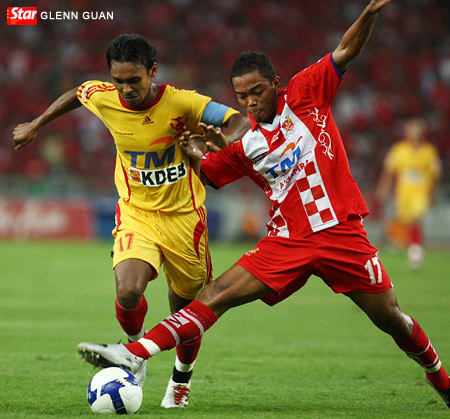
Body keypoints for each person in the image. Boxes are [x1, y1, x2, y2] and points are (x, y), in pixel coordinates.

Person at [76, 1, 450, 409]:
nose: (250, 102)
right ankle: (135, 354)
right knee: (214, 294)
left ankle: (441, 380)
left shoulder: (306, 92)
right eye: (241, 96)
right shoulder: (246, 144)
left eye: (257, 91)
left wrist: (371, 12)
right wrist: (198, 151)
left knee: (391, 319)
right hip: (286, 241)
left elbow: (344, 51)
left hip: (341, 233)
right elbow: (208, 172)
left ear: (275, 82)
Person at [12, 34, 250, 408]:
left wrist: (216, 140)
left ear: (152, 72)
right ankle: (135, 357)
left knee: (185, 310)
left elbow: (239, 121)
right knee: (127, 290)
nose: (125, 89)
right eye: (118, 80)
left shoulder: (182, 102)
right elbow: (78, 92)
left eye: (133, 80)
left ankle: (181, 379)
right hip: (136, 213)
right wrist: (37, 124)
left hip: (185, 220)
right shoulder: (104, 96)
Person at [376, 118, 441, 268]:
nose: (413, 133)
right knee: (404, 221)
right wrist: (384, 188)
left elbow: (435, 175)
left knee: (415, 217)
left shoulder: (429, 151)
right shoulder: (399, 149)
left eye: (416, 130)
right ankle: (397, 239)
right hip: (404, 192)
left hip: (421, 192)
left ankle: (415, 251)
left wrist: (434, 194)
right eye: (411, 130)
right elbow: (389, 171)